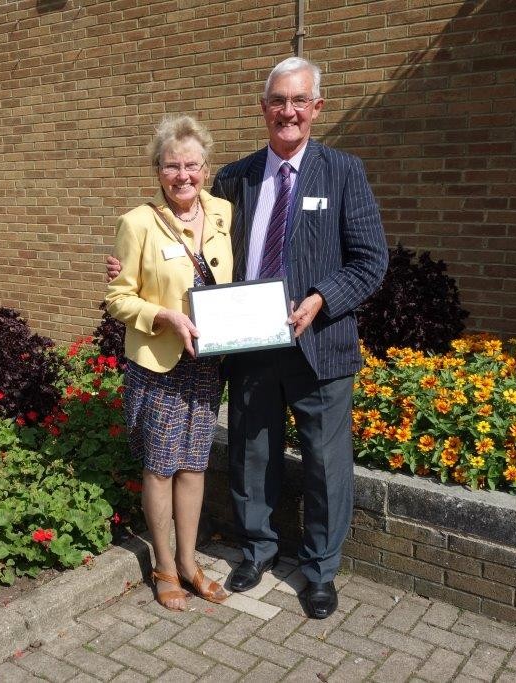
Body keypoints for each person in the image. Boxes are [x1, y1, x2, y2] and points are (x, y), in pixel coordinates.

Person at [107, 57, 387, 619]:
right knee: (251, 454)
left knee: (325, 466)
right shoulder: (235, 177)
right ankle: (255, 551)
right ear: (263, 109)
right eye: (277, 101)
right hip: (249, 345)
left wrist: (320, 298)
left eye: (299, 101)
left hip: (320, 346)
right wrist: (124, 271)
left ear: (316, 108)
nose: (288, 112)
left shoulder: (343, 171)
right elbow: (189, 238)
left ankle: (319, 572)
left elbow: (370, 260)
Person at [105, 114, 233, 611]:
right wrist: (165, 317)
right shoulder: (136, 223)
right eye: (172, 166)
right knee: (160, 468)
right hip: (159, 362)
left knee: (194, 466)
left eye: (193, 165)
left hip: (207, 360)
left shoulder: (222, 213)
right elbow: (118, 297)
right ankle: (162, 566)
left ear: (206, 167)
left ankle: (189, 561)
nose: (184, 175)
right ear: (157, 170)